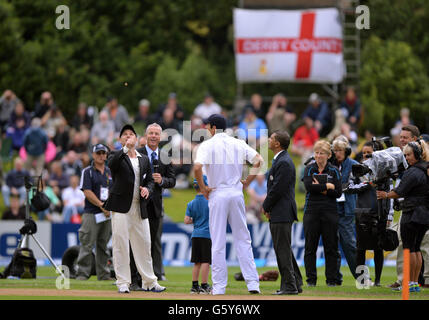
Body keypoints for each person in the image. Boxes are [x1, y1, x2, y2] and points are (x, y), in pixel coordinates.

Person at [194, 113, 263, 295]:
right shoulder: (238, 142)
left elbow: (197, 167)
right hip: (236, 192)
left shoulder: (207, 145)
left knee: (217, 241)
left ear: (213, 128)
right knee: (243, 238)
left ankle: (219, 287)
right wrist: (246, 182)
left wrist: (203, 187)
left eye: (208, 127)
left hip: (218, 193)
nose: (207, 130)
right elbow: (259, 161)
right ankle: (253, 284)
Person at [103, 124, 165, 293]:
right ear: (120, 139)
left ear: (137, 139)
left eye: (131, 135)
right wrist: (125, 148)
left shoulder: (143, 158)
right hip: (121, 207)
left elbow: (151, 180)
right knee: (121, 244)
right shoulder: (117, 155)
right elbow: (112, 165)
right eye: (125, 135)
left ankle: (149, 281)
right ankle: (123, 282)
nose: (128, 137)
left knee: (144, 244)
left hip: (139, 206)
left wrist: (148, 189)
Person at [376, 139, 429, 293]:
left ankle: (410, 282)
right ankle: (414, 283)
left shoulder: (413, 172)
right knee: (416, 248)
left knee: (409, 248)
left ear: (417, 154)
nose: (406, 158)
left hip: (412, 214)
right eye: (405, 155)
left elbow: (398, 192)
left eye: (408, 155)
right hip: (424, 214)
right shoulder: (425, 169)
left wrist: (384, 195)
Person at [129, 123, 176, 289]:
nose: (154, 136)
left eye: (157, 133)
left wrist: (162, 181)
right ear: (146, 135)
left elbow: (172, 180)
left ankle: (148, 279)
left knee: (150, 244)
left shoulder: (165, 156)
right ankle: (133, 280)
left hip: (155, 207)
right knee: (134, 242)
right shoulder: (136, 153)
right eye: (151, 133)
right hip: (137, 205)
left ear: (161, 137)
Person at [262, 131, 303, 295]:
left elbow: (277, 189)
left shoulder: (284, 162)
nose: (269, 140)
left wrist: (266, 206)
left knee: (282, 250)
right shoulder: (281, 160)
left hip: (282, 211)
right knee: (285, 249)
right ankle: (296, 282)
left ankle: (289, 286)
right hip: (280, 210)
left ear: (277, 143)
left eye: (271, 138)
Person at [346, 141, 388, 286]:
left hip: (379, 212)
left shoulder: (383, 169)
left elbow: (388, 192)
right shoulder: (357, 169)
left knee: (378, 248)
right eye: (363, 152)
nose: (365, 155)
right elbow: (349, 188)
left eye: (368, 152)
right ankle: (361, 280)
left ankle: (377, 281)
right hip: (361, 212)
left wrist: (388, 216)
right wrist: (367, 185)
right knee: (361, 248)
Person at [302, 140, 342, 286]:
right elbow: (308, 187)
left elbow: (338, 192)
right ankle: (311, 280)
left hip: (330, 211)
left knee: (331, 247)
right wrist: (327, 186)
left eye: (322, 153)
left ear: (328, 155)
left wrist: (319, 187)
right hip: (311, 211)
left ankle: (331, 280)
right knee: (310, 247)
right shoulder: (309, 169)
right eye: (316, 152)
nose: (318, 156)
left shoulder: (334, 170)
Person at [388, 124, 421, 290]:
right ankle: (405, 280)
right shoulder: (399, 157)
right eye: (400, 137)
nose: (401, 140)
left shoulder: (419, 162)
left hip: (416, 209)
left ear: (414, 140)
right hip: (407, 207)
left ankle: (410, 281)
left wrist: (387, 195)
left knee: (414, 246)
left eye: (405, 137)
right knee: (409, 245)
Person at [75, 143, 113, 281]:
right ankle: (82, 274)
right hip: (92, 213)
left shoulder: (110, 172)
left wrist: (110, 207)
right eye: (99, 153)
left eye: (104, 153)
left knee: (103, 246)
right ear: (93, 155)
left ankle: (103, 274)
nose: (102, 156)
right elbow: (87, 191)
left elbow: (114, 191)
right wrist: (102, 205)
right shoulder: (87, 171)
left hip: (107, 214)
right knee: (87, 244)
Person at [331, 136, 358, 283]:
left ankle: (362, 277)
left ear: (346, 151)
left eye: (340, 150)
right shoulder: (329, 165)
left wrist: (348, 187)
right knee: (332, 246)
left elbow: (364, 186)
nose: (337, 153)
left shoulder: (354, 165)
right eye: (335, 150)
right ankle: (335, 278)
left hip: (347, 209)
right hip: (331, 209)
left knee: (349, 245)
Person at [184, 175, 212, 294]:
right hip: (206, 235)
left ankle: (194, 286)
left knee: (197, 262)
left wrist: (195, 220)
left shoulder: (191, 203)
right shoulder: (210, 202)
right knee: (206, 261)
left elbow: (186, 220)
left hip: (195, 235)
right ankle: (204, 285)